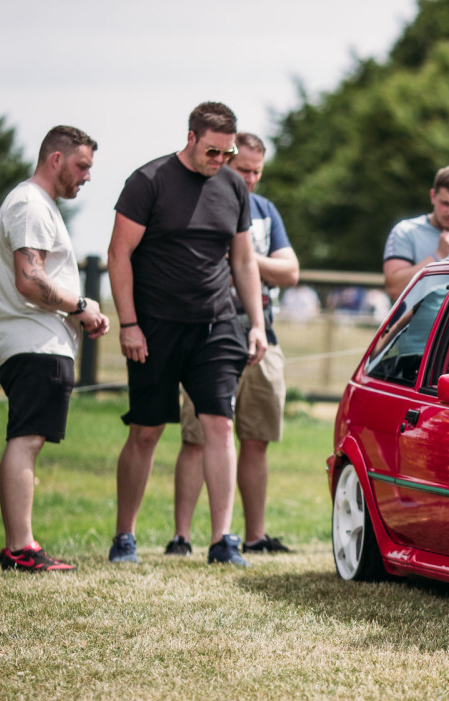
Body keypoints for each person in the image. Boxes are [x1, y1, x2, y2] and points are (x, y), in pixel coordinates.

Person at [107, 102, 268, 567]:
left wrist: (255, 324)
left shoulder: (233, 186)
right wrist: (129, 323)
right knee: (146, 430)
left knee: (218, 424)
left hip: (217, 324)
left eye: (227, 152)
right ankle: (125, 537)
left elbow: (242, 260)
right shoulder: (148, 181)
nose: (219, 160)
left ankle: (223, 540)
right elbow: (119, 255)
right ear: (192, 137)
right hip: (154, 327)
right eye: (212, 151)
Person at [170, 132, 299, 557]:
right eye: (242, 169)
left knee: (255, 437)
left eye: (257, 172)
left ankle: (255, 535)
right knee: (197, 437)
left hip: (264, 336)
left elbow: (290, 272)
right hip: (207, 334)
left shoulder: (265, 211)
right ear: (225, 163)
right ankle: (182, 537)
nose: (250, 179)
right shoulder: (201, 204)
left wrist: (244, 258)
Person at [0, 125, 107, 572]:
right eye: (82, 166)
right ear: (55, 160)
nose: (87, 177)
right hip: (33, 340)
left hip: (41, 339)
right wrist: (82, 305)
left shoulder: (38, 206)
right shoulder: (30, 205)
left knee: (29, 438)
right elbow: (29, 279)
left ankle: (21, 545)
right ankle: (20, 548)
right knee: (27, 438)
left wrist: (79, 314)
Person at [382, 165, 449, 302]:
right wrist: (438, 255)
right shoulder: (406, 232)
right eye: (445, 204)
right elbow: (394, 290)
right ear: (433, 196)